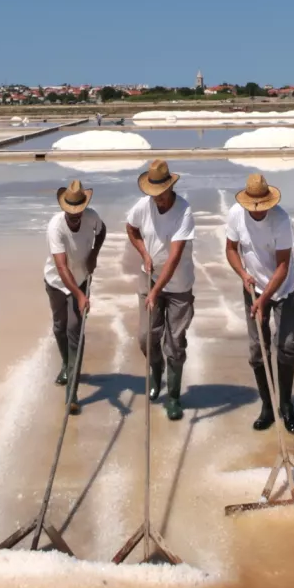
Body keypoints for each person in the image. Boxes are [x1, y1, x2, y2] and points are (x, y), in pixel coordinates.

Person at [224, 173, 294, 433]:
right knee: (258, 349)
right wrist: (243, 275)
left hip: (283, 289)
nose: (258, 211)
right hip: (252, 288)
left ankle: (287, 404)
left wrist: (264, 299)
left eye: (262, 206)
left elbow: (282, 266)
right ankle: (268, 406)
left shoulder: (281, 220)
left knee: (287, 346)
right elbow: (231, 249)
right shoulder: (236, 214)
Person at [125, 159, 196, 421]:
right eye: (154, 195)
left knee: (175, 343)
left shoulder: (184, 212)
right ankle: (157, 374)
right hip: (149, 279)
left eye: (162, 194)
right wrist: (143, 252)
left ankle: (174, 397)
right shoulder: (143, 206)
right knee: (146, 338)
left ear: (170, 188)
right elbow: (131, 228)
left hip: (178, 286)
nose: (159, 199)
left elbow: (175, 257)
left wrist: (156, 291)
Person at [43, 179, 106, 415]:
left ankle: (72, 392)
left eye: (79, 211)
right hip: (57, 283)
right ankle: (66, 366)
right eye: (71, 212)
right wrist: (79, 295)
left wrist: (94, 255)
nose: (75, 216)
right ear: (64, 209)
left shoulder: (92, 216)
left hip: (81, 279)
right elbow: (61, 268)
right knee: (59, 327)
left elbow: (102, 231)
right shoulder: (55, 227)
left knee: (75, 331)